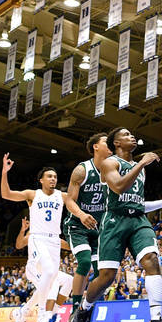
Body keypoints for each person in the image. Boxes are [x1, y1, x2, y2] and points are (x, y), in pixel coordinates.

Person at [69, 128, 162, 322]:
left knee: (152, 261)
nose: (132, 136)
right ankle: (83, 309)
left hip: (137, 220)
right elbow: (119, 187)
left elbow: (136, 203)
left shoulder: (140, 170)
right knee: (106, 277)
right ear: (116, 143)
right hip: (114, 221)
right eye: (126, 134)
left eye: (132, 134)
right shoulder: (110, 163)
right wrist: (141, 163)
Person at [1, 156, 96, 322]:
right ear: (41, 180)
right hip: (37, 239)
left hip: (54, 240)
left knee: (65, 280)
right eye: (49, 176)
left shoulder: (63, 196)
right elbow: (6, 194)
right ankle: (43, 318)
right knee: (50, 276)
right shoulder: (32, 194)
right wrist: (4, 172)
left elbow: (75, 205)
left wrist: (82, 216)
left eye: (55, 176)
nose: (53, 178)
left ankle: (26, 312)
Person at [63, 133, 110, 310]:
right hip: (77, 226)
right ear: (95, 147)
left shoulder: (111, 170)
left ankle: (87, 308)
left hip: (98, 228)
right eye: (106, 142)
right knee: (83, 261)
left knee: (103, 272)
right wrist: (82, 215)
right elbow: (69, 200)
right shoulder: (82, 170)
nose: (110, 145)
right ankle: (75, 308)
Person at [12, 216, 74, 322]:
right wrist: (22, 230)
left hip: (48, 270)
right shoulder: (34, 232)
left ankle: (42, 313)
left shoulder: (52, 233)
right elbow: (19, 245)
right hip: (34, 268)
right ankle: (43, 319)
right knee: (52, 283)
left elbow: (64, 245)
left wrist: (79, 246)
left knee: (68, 280)